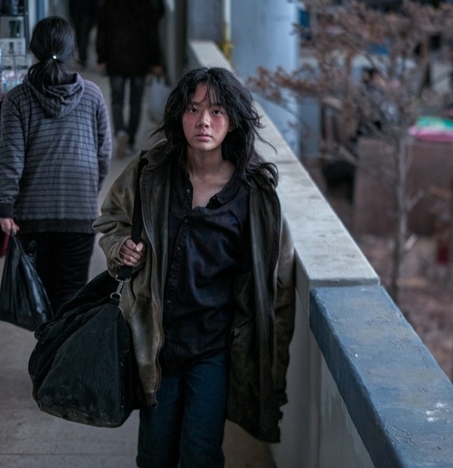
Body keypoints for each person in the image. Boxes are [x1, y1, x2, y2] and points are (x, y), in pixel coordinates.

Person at [93, 67, 296, 467]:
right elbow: (112, 219)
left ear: (233, 121)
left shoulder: (254, 196)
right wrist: (120, 248)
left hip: (214, 348)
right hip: (157, 342)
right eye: (193, 108)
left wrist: (270, 364)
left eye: (217, 111)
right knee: (154, 455)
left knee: (200, 453)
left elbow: (279, 282)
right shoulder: (151, 173)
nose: (203, 121)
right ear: (179, 115)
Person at [0, 16, 112, 314]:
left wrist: (5, 207)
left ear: (33, 51)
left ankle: (48, 346)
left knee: (40, 301)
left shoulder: (18, 99)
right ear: (72, 51)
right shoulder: (93, 95)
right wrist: (88, 190)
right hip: (79, 215)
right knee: (72, 298)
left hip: (32, 217)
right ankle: (66, 345)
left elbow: (10, 156)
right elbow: (103, 153)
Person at [96, 0, 163, 157]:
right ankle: (131, 140)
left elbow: (102, 32)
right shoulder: (146, 5)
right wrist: (155, 62)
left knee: (117, 100)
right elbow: (153, 34)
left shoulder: (110, 4)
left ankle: (120, 131)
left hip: (115, 59)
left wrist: (101, 58)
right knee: (136, 102)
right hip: (140, 61)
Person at [68, 0, 99, 68]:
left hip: (87, 14)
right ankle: (81, 56)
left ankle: (82, 58)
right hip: (77, 13)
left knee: (84, 37)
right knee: (79, 36)